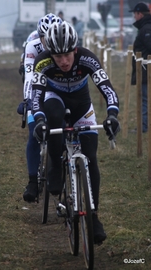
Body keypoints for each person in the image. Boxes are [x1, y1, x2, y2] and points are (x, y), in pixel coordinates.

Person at [31, 21, 120, 244]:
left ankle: (94, 217)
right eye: (57, 56)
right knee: (53, 113)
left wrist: (111, 115)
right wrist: (39, 120)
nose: (63, 61)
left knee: (90, 158)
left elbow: (107, 88)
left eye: (67, 55)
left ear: (75, 49)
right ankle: (55, 166)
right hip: (54, 100)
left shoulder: (87, 58)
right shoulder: (42, 62)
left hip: (82, 106)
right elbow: (35, 97)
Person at [17, 13, 63, 203]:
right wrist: (28, 101)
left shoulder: (64, 42)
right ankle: (32, 182)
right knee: (33, 132)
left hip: (58, 86)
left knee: (63, 125)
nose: (49, 41)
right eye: (45, 37)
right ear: (39, 36)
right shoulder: (32, 46)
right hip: (36, 84)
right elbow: (29, 77)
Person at [129, 2, 151, 133]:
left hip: (146, 71)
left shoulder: (146, 29)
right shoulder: (145, 28)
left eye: (135, 14)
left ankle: (143, 127)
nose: (134, 17)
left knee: (144, 99)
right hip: (144, 70)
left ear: (140, 14)